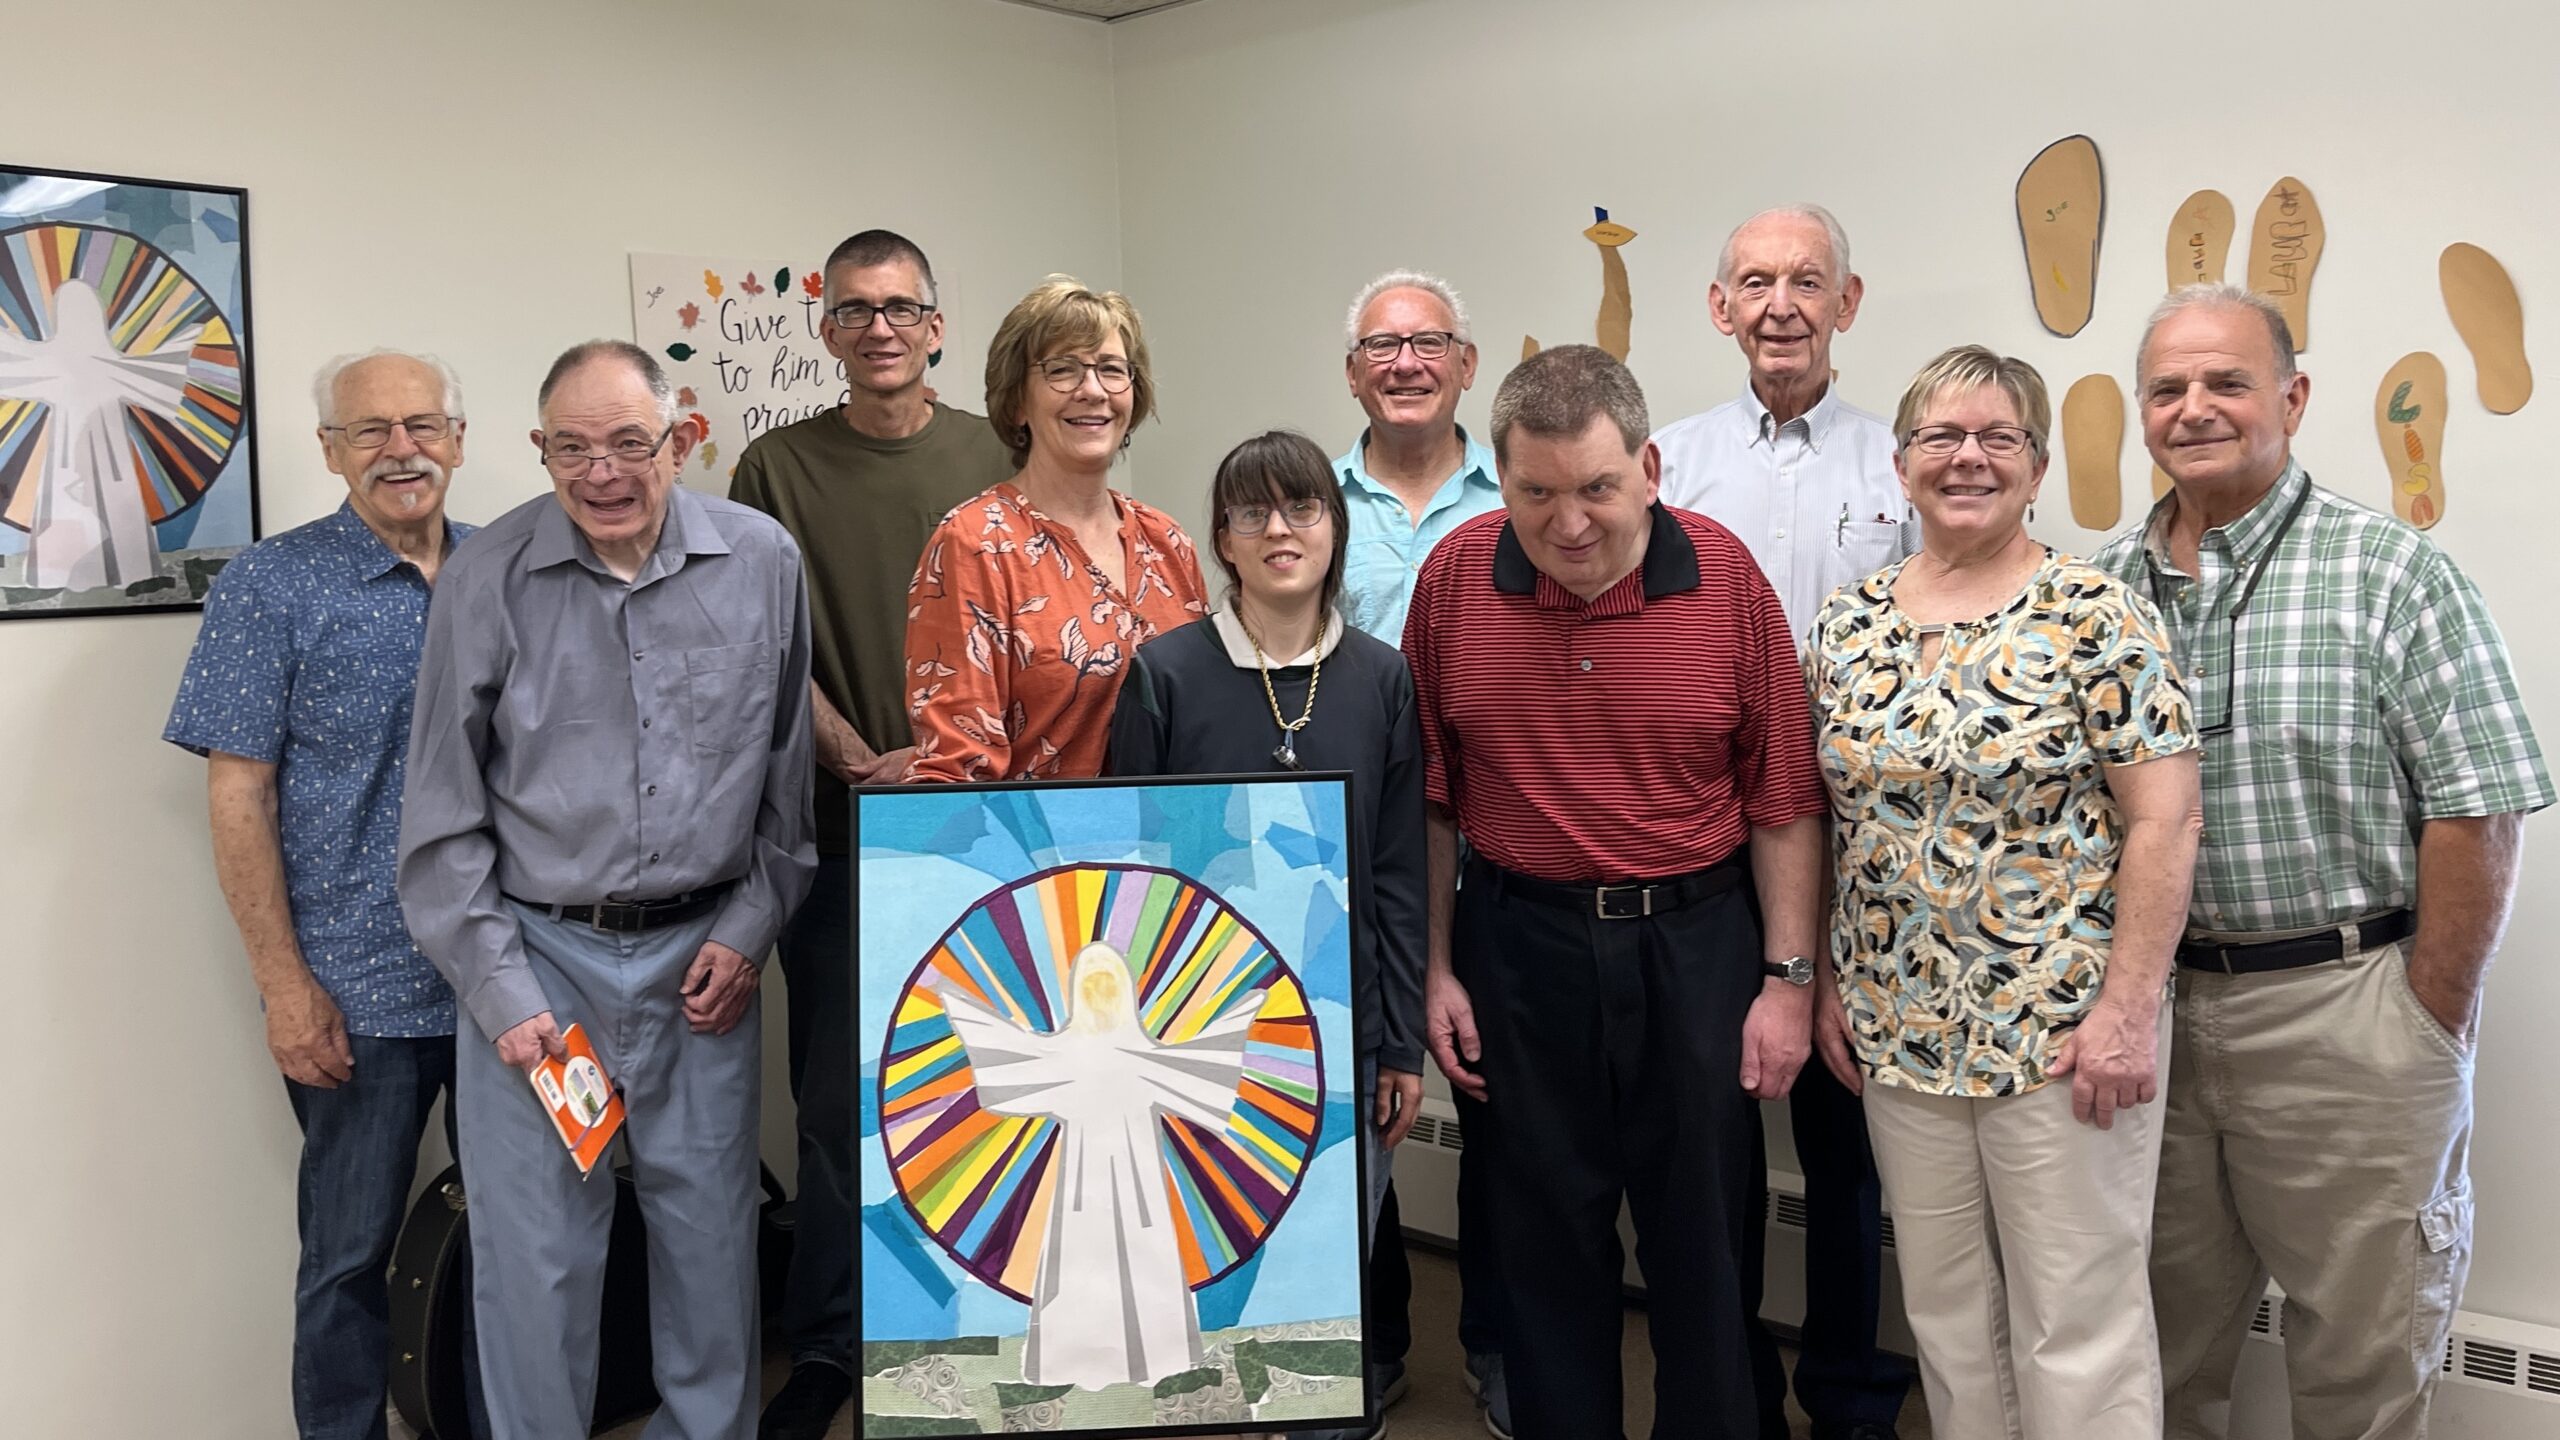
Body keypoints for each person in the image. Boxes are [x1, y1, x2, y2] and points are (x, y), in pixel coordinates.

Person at [2089, 285, 2551, 1440]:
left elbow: (2479, 809)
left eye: (2226, 382)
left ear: (2290, 398)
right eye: (2166, 388)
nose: (2193, 408)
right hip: (2150, 1019)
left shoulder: (2391, 573)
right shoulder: (2098, 596)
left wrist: (2424, 1016)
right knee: (2155, 1345)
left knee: (2362, 1358)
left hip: (2349, 1016)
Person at [397, 340, 816, 1440]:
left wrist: (751, 927)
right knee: (535, 1259)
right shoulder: (485, 580)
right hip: (542, 972)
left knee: (710, 1244)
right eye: (571, 448)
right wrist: (504, 997)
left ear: (678, 440)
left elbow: (786, 787)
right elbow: (440, 824)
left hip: (703, 968)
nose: (603, 473)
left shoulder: (763, 559)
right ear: (538, 452)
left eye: (631, 442)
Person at [1408, 345, 1827, 1440]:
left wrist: (1788, 981)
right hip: (1520, 947)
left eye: (1596, 487)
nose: (1569, 522)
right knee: (1541, 1239)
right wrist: (1436, 968)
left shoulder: (1727, 577)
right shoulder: (1455, 577)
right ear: (1498, 480)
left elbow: (1782, 794)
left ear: (1648, 467)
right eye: (1535, 493)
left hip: (1692, 943)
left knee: (1703, 1243)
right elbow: (1433, 799)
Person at [1808, 345, 2203, 1438]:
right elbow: (1835, 819)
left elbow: (2165, 819)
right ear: (1900, 465)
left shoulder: (2099, 615)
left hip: (2067, 1032)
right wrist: (1832, 979)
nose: (1967, 459)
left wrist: (2128, 1011)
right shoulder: (1846, 630)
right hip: (1899, 1027)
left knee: (2075, 1315)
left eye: (1997, 439)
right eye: (1940, 437)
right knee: (1943, 1310)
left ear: (2035, 468)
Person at [164, 349, 485, 1440]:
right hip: (358, 988)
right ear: (330, 451)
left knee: (523, 1240)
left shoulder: (509, 572)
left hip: (507, 980)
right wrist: (284, 986)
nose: (402, 449)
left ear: (458, 435)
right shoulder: (272, 585)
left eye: (423, 424)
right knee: (348, 1258)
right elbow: (237, 797)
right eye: (372, 430)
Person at [726, 228, 1014, 1440]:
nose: (880, 327)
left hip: (993, 828)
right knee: (844, 1098)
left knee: (991, 1091)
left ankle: (983, 1319)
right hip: (841, 836)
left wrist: (952, 766)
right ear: (826, 329)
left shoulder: (1003, 449)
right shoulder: (775, 469)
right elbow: (757, 646)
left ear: (937, 324)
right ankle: (837, 1349)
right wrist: (856, 758)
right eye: (856, 310)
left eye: (901, 307)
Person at [1653, 206, 1914, 1440]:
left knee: (1848, 1144)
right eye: (1753, 282)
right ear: (1718, 308)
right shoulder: (1669, 460)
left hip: (1864, 852)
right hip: (1705, 847)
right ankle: (1731, 1394)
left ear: (1846, 304)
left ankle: (1853, 1396)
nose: (1779, 305)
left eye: (1806, 281)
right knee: (1712, 1148)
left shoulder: (1897, 463)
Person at [1332, 269, 1509, 1438]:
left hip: (1496, 846)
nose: (1405, 362)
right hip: (1350, 855)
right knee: (1360, 1104)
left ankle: (1499, 1346)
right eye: (1381, 345)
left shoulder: (1517, 497)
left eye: (1427, 341)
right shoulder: (1312, 500)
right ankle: (1376, 1338)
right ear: (1354, 369)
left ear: (1465, 360)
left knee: (1503, 1117)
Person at [902, 276, 1207, 782]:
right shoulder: (975, 544)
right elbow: (955, 771)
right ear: (1018, 401)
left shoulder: (1166, 540)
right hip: (1038, 854)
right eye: (1062, 370)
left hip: (1170, 849)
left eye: (1111, 370)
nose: (1092, 391)